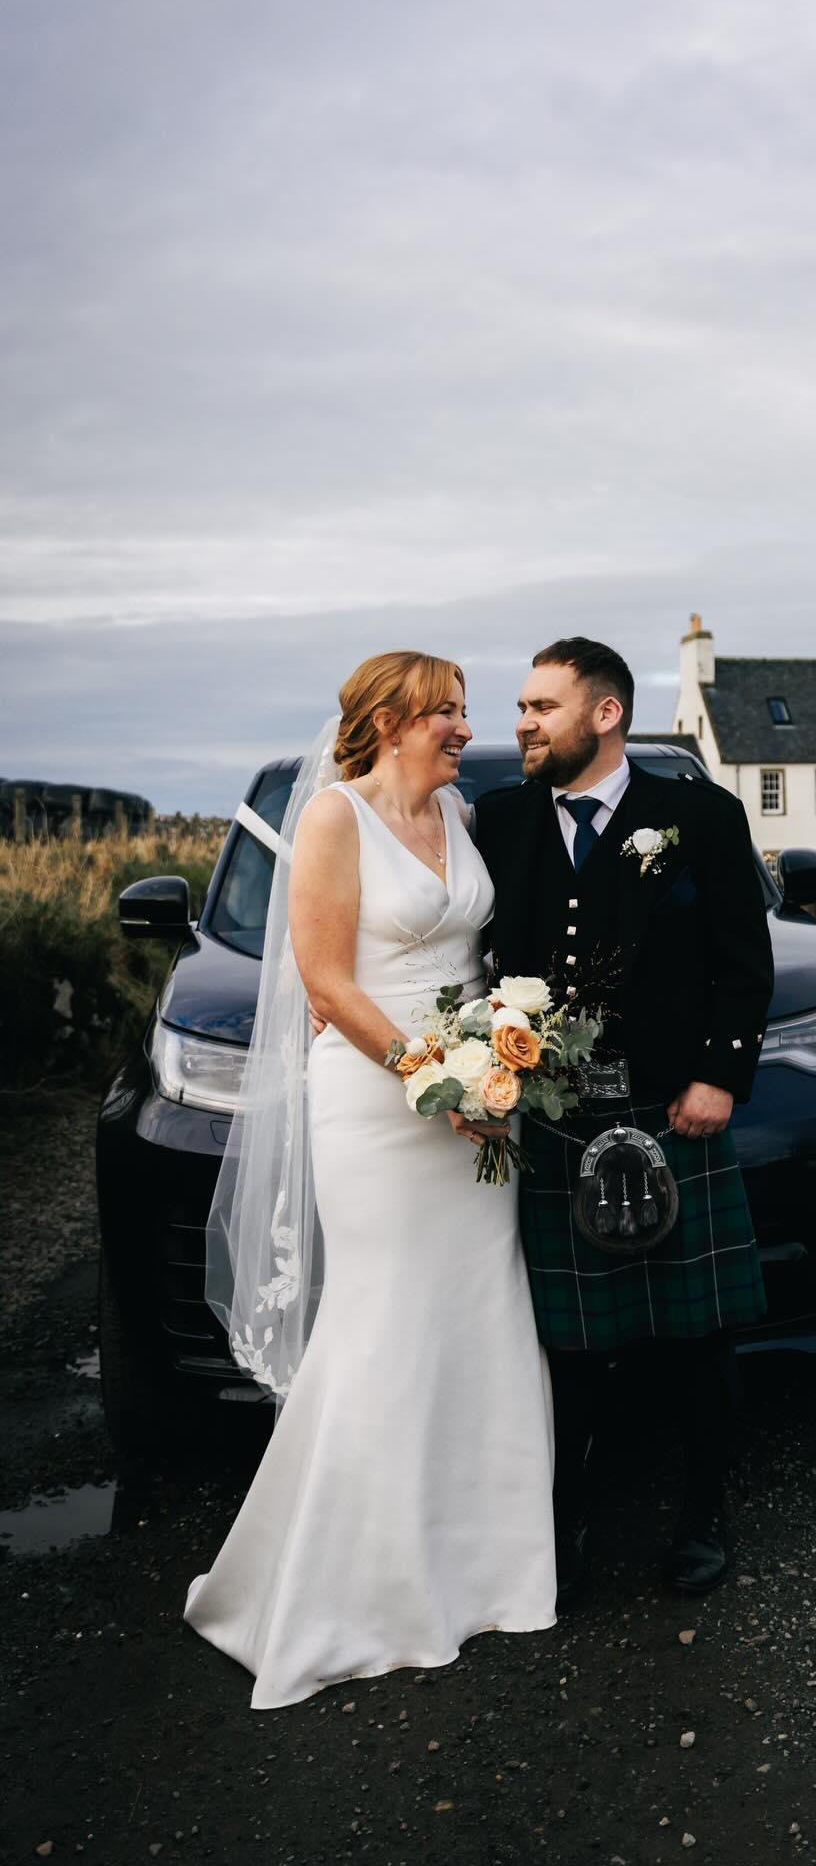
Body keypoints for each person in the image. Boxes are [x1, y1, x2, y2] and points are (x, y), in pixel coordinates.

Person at [185, 651, 556, 1710]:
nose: (462, 729)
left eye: (462, 712)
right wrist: (431, 1075)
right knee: (386, 1319)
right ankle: (360, 1591)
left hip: (474, 1100)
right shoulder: (334, 820)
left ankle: (489, 1578)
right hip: (376, 1104)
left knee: (481, 1316)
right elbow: (326, 977)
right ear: (390, 722)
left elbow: (479, 964)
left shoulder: (463, 824)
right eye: (445, 713)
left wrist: (501, 1052)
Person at [472, 637, 773, 1600]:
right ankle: (562, 1524)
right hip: (553, 1121)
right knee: (568, 1347)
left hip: (671, 1110)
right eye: (520, 706)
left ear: (604, 714)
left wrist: (721, 1074)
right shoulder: (500, 821)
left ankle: (703, 1515)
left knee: (695, 1338)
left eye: (541, 706)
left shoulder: (700, 816)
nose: (522, 721)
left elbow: (743, 962)